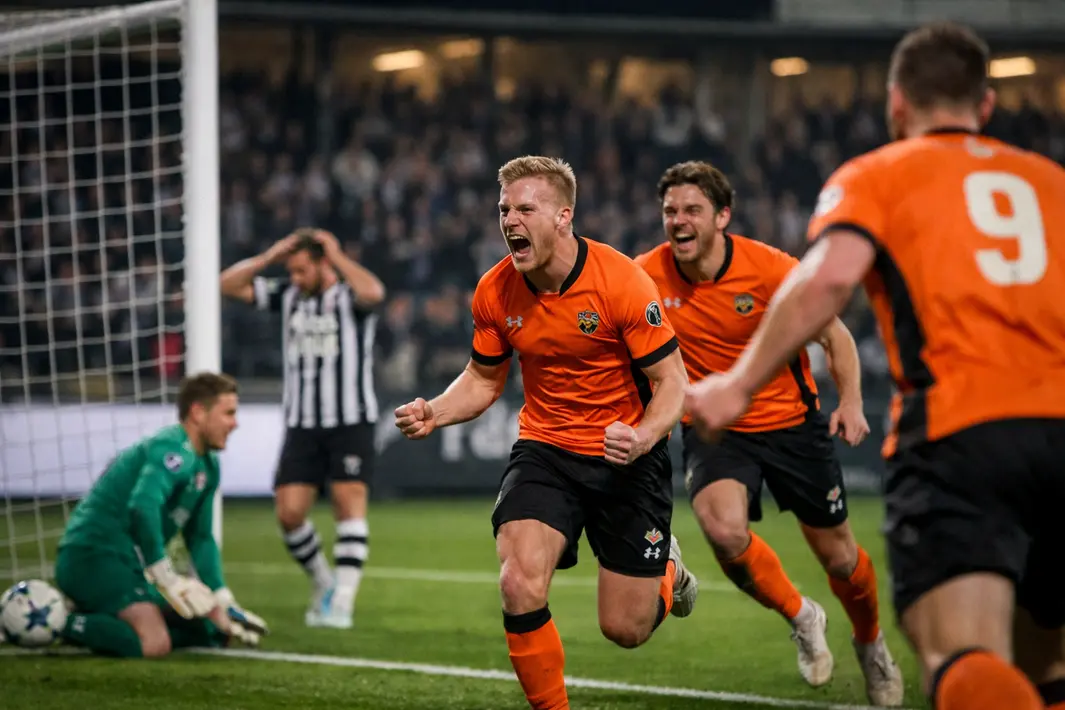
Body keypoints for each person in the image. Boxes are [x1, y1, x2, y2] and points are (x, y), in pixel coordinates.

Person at [685, 22, 1065, 710]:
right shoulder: (1049, 182)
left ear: (896, 104)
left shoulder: (878, 175)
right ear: (985, 105)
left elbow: (830, 278)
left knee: (962, 656)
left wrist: (738, 384)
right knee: (1045, 661)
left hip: (962, 433)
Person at [395, 155, 698, 709]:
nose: (510, 220)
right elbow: (483, 379)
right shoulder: (495, 290)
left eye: (524, 209)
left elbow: (672, 382)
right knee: (517, 582)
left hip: (626, 456)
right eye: (504, 209)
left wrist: (644, 437)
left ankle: (668, 569)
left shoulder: (622, 281)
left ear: (563, 217)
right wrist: (435, 411)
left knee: (625, 629)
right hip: (547, 450)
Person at [636, 160, 904, 707]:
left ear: (722, 216)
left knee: (841, 560)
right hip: (717, 429)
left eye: (692, 210)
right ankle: (802, 617)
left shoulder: (770, 268)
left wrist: (851, 402)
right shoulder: (644, 276)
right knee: (721, 528)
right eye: (670, 211)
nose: (678, 220)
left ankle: (871, 643)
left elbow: (836, 337)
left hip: (792, 425)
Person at [220, 228, 386, 630]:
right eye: (290, 271)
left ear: (322, 264)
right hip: (302, 424)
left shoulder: (348, 298)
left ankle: (342, 603)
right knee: (289, 513)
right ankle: (323, 581)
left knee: (348, 506)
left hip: (350, 420)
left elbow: (375, 292)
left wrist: (337, 254)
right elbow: (227, 285)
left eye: (301, 270)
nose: (294, 278)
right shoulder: (288, 296)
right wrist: (269, 256)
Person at [54, 372, 267, 657]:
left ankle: (100, 618)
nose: (235, 423)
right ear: (198, 413)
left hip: (131, 565)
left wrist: (222, 598)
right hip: (94, 557)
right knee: (153, 642)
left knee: (213, 629)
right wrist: (165, 576)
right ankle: (56, 621)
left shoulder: (208, 466)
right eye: (228, 413)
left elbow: (200, 537)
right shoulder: (172, 449)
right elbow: (142, 506)